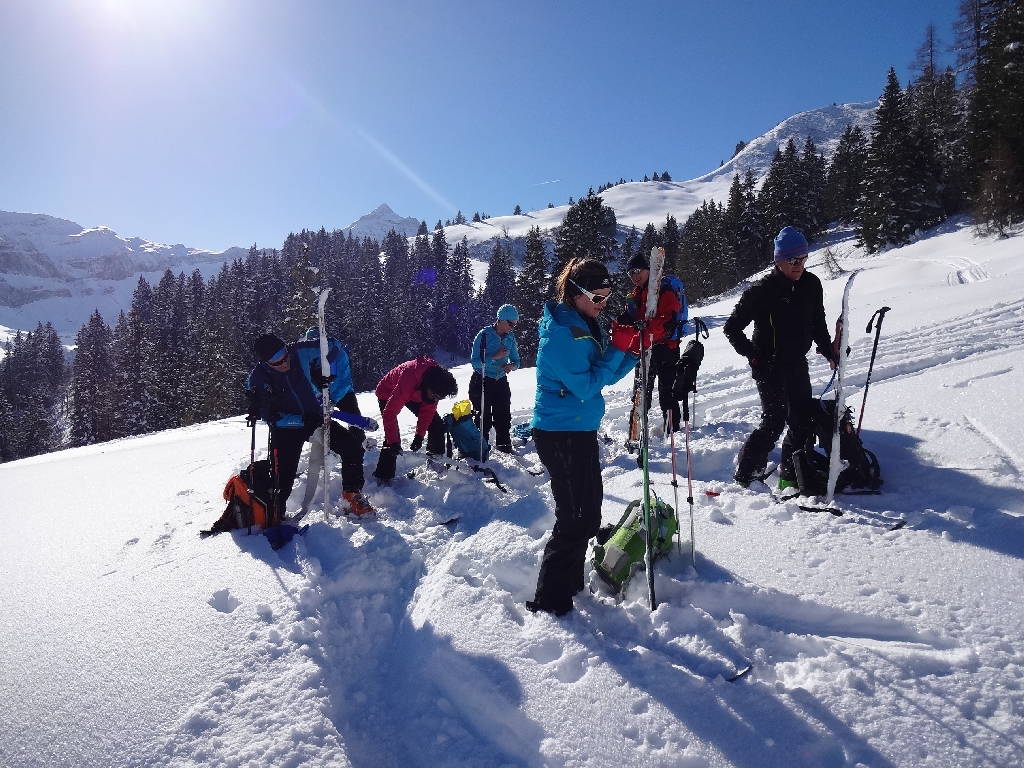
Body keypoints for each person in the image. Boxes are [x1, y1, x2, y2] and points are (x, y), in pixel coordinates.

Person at [527, 258, 641, 617]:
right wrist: (620, 350)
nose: (602, 304)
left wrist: (632, 351)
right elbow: (586, 385)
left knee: (588, 517)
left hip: (579, 430)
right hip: (559, 434)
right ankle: (550, 602)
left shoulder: (585, 323)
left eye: (607, 298)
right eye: (596, 297)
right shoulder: (563, 334)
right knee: (575, 520)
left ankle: (571, 584)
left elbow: (602, 375)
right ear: (575, 293)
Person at [723, 226, 837, 493]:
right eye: (793, 260)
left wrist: (827, 349)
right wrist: (754, 357)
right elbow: (732, 327)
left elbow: (817, 321)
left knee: (801, 420)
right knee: (774, 421)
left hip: (798, 362)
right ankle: (745, 475)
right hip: (769, 366)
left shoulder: (811, 284)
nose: (799, 265)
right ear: (779, 260)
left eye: (804, 258)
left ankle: (790, 474)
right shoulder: (762, 290)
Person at [246, 330, 373, 518]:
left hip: (315, 418)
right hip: (285, 428)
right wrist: (301, 420)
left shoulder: (299, 351)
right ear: (266, 363)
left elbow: (335, 347)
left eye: (286, 357)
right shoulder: (257, 380)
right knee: (282, 478)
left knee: (353, 448)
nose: (286, 363)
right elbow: (268, 417)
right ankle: (274, 514)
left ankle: (351, 495)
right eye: (278, 363)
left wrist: (331, 390)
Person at [618, 252, 685, 433]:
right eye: (630, 273)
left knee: (666, 391)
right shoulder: (636, 294)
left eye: (638, 270)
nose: (634, 276)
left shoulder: (663, 290)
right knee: (641, 393)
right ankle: (636, 433)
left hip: (665, 347)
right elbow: (633, 319)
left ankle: (672, 430)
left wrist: (645, 327)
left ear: (648, 269)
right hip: (643, 346)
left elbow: (668, 321)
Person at [373, 357, 458, 483]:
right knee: (392, 437)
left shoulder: (436, 385)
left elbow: (427, 414)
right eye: (434, 396)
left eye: (439, 398)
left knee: (437, 425)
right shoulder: (410, 377)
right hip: (388, 391)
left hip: (416, 393)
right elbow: (389, 414)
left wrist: (419, 436)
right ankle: (383, 477)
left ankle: (435, 460)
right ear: (428, 385)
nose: (435, 400)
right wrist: (393, 443)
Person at [469, 304, 521, 453]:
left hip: (501, 380)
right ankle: (481, 446)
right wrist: (494, 357)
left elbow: (517, 361)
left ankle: (504, 443)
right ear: (501, 320)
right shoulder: (484, 335)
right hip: (482, 379)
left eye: (515, 325)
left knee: (503, 413)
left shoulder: (510, 337)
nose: (512, 328)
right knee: (483, 415)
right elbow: (474, 362)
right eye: (511, 324)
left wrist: (512, 366)